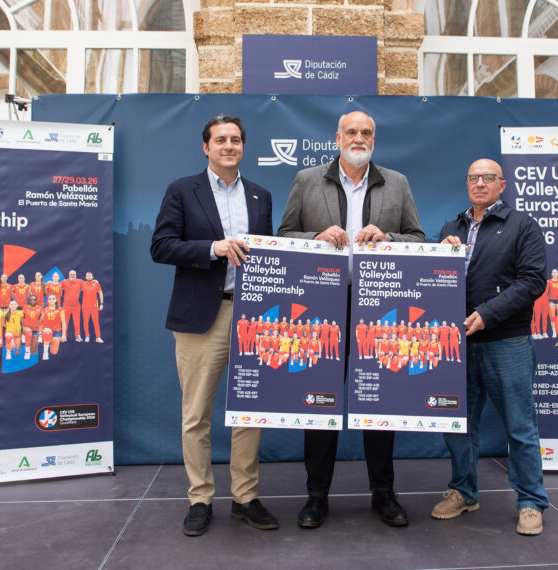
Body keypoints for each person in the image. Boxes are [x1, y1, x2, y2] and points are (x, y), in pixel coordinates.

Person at [278, 110, 425, 528]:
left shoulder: (396, 182)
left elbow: (418, 237)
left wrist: (388, 237)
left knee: (379, 402)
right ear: (337, 137)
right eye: (352, 132)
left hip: (378, 308)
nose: (359, 138)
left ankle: (384, 494)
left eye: (367, 133)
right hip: (322, 307)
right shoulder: (307, 180)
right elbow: (284, 235)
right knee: (320, 400)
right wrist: (316, 237)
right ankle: (316, 496)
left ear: (373, 139)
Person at [150, 114, 276, 537]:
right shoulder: (182, 190)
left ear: (243, 146)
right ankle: (200, 498)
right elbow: (161, 246)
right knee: (196, 414)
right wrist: (213, 248)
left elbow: (270, 253)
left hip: (252, 316)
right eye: (220, 140)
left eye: (235, 140)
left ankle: (245, 497)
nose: (228, 146)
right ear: (206, 147)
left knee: (250, 412)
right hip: (202, 316)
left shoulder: (260, 196)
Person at [436, 158, 549, 536]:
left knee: (520, 426)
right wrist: (441, 253)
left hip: (506, 340)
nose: (480, 183)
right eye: (474, 177)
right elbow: (435, 282)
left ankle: (531, 501)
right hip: (459, 343)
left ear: (502, 184)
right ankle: (463, 492)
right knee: (458, 425)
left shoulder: (523, 226)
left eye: (488, 177)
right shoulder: (451, 228)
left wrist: (488, 314)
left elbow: (533, 281)